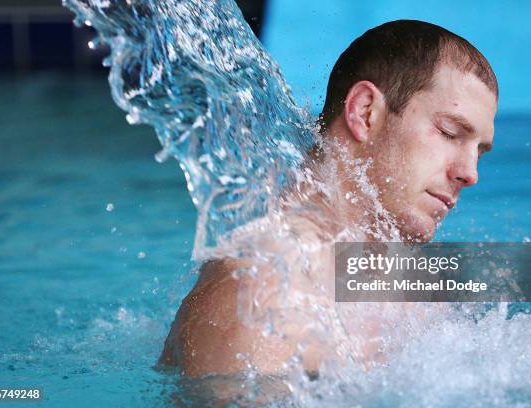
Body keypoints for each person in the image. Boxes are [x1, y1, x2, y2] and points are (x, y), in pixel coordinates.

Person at [159, 19, 498, 378]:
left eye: (480, 151)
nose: (470, 173)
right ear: (365, 112)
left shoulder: (410, 287)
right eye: (449, 132)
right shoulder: (261, 307)